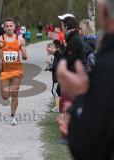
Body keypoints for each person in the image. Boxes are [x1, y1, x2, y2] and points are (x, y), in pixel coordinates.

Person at [57, 0, 114, 159]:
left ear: (103, 12)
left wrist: (80, 100)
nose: (60, 25)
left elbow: (89, 146)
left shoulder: (106, 64)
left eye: (62, 23)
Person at [0, 18, 28, 126]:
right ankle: (11, 110)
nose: (8, 28)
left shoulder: (20, 39)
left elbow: (24, 53)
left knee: (15, 94)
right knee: (5, 96)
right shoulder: (0, 39)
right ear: (4, 28)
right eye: (6, 26)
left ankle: (13, 116)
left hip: (17, 70)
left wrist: (24, 54)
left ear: (14, 27)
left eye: (10, 26)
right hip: (5, 71)